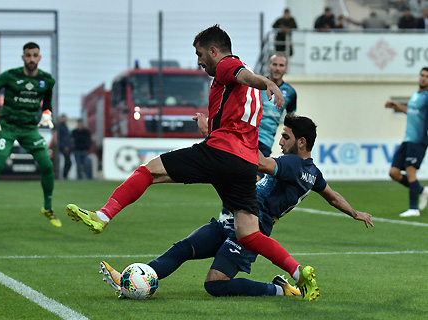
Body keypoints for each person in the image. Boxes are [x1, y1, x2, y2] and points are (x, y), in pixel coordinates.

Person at [65, 25, 331, 299]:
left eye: (200, 54)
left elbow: (245, 77)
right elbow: (239, 115)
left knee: (150, 170)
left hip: (222, 152)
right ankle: (298, 272)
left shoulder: (229, 65)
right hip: (244, 162)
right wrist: (211, 127)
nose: (199, 61)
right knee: (249, 233)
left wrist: (269, 83)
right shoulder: (237, 83)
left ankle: (103, 215)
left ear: (214, 51)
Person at [99, 115, 373, 301]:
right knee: (183, 248)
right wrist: (355, 212)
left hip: (251, 230)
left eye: (286, 137)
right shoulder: (312, 172)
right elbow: (333, 196)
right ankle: (136, 279)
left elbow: (262, 164)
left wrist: (224, 142)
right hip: (238, 217)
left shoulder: (292, 164)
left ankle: (280, 290)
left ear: (301, 142)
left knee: (214, 285)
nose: (280, 142)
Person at [0, 42, 61, 228]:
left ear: (40, 57)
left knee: (47, 165)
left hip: (29, 129)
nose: (31, 59)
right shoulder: (10, 76)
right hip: (8, 128)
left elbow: (47, 100)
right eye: (28, 55)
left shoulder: (47, 80)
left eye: (35, 55)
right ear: (22, 57)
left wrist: (46, 113)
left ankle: (48, 207)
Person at [219, 53, 296, 221]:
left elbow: (291, 121)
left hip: (265, 141)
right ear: (269, 66)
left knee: (250, 178)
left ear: (286, 68)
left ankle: (231, 216)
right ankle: (231, 215)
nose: (277, 68)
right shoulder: (258, 84)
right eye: (274, 64)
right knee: (242, 176)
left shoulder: (290, 93)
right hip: (246, 136)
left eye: (281, 65)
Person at [385, 67, 428, 217]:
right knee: (394, 172)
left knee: (410, 171)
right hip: (408, 139)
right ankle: (423, 191)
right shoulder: (416, 95)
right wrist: (397, 106)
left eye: (427, 77)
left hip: (419, 140)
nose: (423, 78)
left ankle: (413, 208)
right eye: (422, 75)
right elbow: (411, 111)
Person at [57, 114, 72, 179]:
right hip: (62, 148)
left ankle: (64, 175)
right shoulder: (60, 127)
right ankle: (64, 175)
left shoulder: (65, 127)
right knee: (67, 162)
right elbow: (60, 138)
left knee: (68, 162)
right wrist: (63, 146)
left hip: (66, 147)